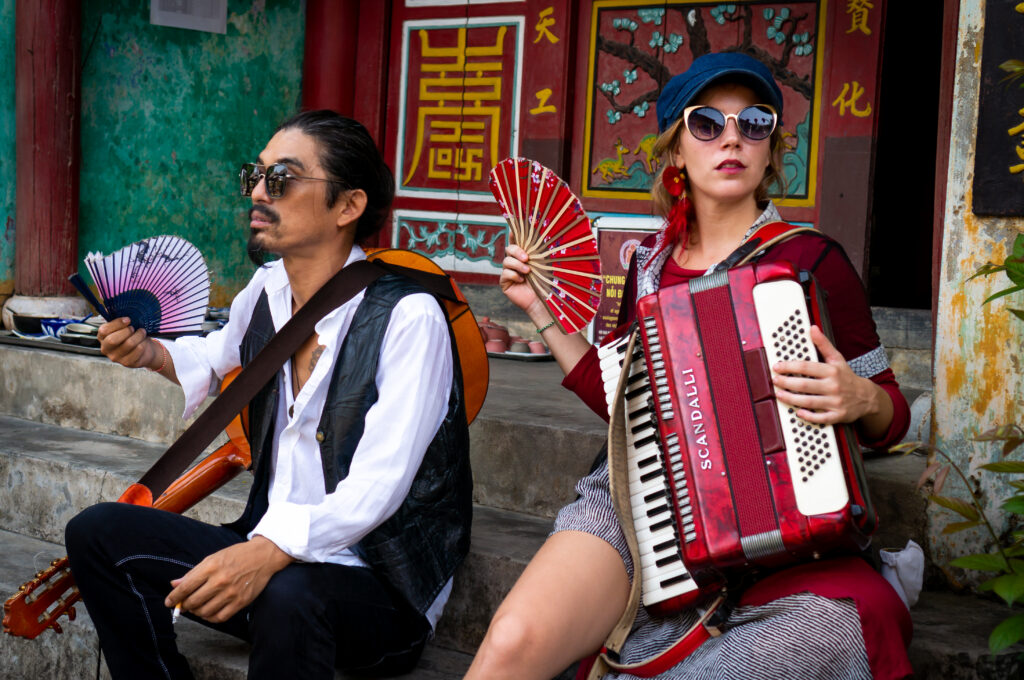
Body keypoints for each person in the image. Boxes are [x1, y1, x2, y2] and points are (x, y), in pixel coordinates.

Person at [466, 52, 912, 680]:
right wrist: (539, 309)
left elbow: (892, 419)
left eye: (753, 123)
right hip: (642, 496)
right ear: (676, 150)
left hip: (789, 533)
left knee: (830, 630)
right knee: (513, 642)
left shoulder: (813, 260)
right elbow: (622, 404)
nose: (732, 139)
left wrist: (863, 399)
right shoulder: (649, 266)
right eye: (707, 123)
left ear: (769, 150)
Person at [64, 110, 472, 679]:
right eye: (254, 176)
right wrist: (150, 352)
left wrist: (266, 553)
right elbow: (213, 357)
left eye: (281, 179)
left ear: (348, 206)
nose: (258, 192)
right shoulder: (266, 288)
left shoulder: (409, 317)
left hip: (378, 585)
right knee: (97, 533)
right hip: (267, 548)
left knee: (288, 596)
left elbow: (378, 485)